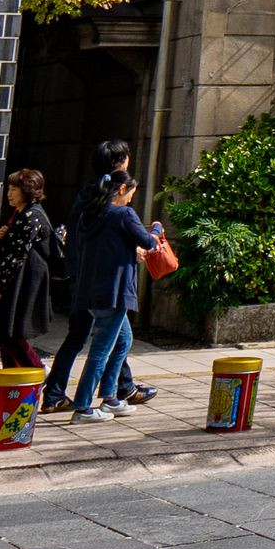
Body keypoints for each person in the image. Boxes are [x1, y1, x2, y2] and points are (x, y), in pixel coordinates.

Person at [69, 168, 161, 419]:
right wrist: (156, 230)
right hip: (114, 291)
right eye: (131, 193)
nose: (131, 199)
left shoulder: (89, 214)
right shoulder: (123, 214)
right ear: (121, 189)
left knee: (123, 342)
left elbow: (107, 247)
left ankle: (110, 398)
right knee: (101, 350)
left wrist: (131, 250)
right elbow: (148, 242)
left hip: (90, 291)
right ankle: (83, 407)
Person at [0, 168, 59, 368]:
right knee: (6, 332)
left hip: (22, 281)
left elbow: (17, 255)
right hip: (17, 278)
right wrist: (6, 234)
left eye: (14, 189)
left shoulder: (31, 216)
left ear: (27, 191)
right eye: (9, 189)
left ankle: (36, 369)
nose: (9, 194)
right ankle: (11, 378)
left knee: (8, 333)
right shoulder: (21, 213)